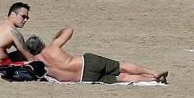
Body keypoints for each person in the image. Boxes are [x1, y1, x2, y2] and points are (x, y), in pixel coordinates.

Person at [25, 28, 168, 83]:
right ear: (41, 43)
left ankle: (152, 80)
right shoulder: (53, 47)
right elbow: (69, 30)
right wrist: (56, 35)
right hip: (87, 63)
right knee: (120, 66)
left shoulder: (35, 65)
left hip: (84, 78)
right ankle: (153, 72)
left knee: (123, 78)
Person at [0, 2, 34, 72]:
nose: (25, 20)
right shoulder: (13, 31)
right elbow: (30, 58)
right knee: (36, 63)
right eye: (23, 16)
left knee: (21, 54)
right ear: (13, 14)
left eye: (27, 18)